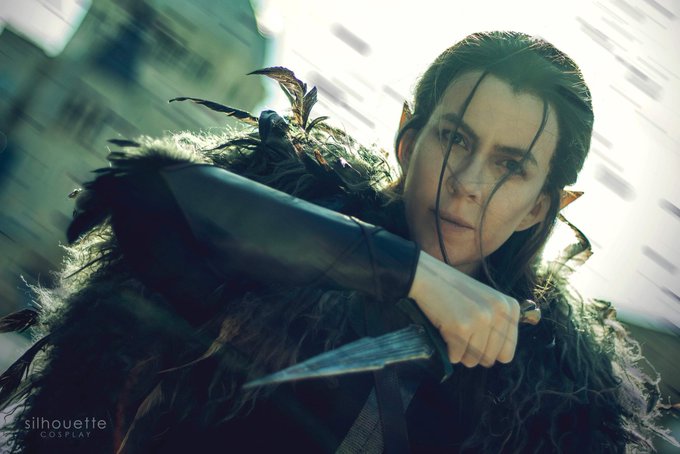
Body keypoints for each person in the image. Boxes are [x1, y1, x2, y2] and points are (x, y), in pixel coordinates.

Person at [0, 31, 672, 453]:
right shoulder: (283, 241)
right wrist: (411, 273)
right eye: (454, 138)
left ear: (540, 209)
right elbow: (145, 192)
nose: (468, 182)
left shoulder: (557, 409)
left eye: (510, 166)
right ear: (408, 139)